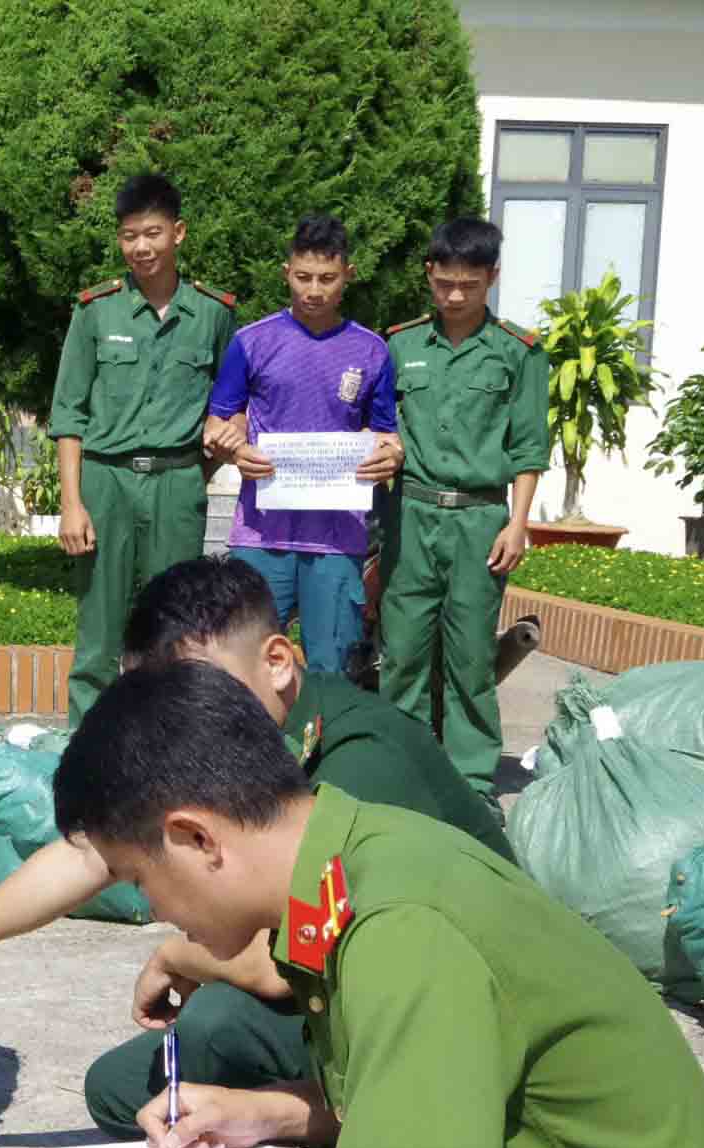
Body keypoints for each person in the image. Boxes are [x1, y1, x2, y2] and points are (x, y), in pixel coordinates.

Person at [63, 662, 704, 1148]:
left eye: (140, 878)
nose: (152, 909)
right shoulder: (347, 860)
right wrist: (266, 1113)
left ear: (195, 838)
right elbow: (430, 1091)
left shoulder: (396, 922)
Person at [74, 555, 516, 1141]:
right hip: (355, 983)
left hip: (463, 1010)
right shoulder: (272, 734)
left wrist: (176, 957)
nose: (183, 719)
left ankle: (308, 1127)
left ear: (277, 662)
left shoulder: (359, 758)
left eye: (200, 690)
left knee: (213, 1026)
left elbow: (289, 961)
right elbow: (92, 851)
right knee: (121, 1089)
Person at [49, 173, 237, 728]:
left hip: (178, 484)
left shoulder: (214, 314)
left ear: (178, 233)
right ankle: (90, 751)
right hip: (105, 483)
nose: (141, 248)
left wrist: (197, 466)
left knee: (175, 630)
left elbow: (232, 402)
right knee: (99, 635)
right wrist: (71, 502)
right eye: (130, 236)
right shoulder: (96, 311)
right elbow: (68, 414)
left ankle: (168, 746)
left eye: (153, 233)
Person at [380, 217, 550, 803]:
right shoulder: (399, 345)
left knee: (471, 657)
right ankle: (398, 768)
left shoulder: (518, 354)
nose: (455, 297)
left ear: (492, 278)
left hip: (480, 520)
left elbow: (529, 447)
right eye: (445, 283)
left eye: (470, 286)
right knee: (401, 653)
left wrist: (518, 523)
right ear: (430, 273)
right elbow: (378, 428)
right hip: (411, 516)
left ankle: (472, 779)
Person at [202, 215, 402, 675]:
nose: (314, 290)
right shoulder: (252, 341)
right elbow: (218, 422)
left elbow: (386, 434)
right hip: (261, 532)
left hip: (337, 539)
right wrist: (234, 448)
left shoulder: (371, 351)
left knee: (332, 667)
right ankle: (248, 749)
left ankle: (324, 749)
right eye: (303, 277)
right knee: (245, 661)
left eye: (327, 279)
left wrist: (391, 455)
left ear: (348, 275)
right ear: (285, 272)